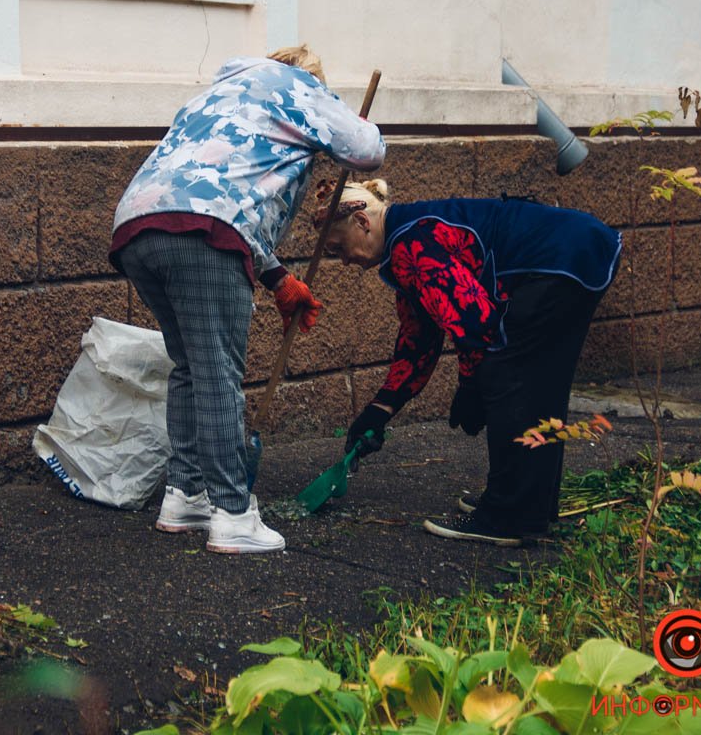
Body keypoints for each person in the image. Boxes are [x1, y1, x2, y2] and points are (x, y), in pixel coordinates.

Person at [109, 46, 385, 554]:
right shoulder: (298, 87)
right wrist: (340, 116)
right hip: (201, 232)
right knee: (215, 371)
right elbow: (368, 150)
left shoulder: (218, 97)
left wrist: (278, 278)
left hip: (138, 228)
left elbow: (220, 189)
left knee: (191, 365)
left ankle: (185, 495)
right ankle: (233, 513)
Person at [315, 179, 621, 546]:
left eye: (339, 247)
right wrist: (380, 410)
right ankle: (529, 507)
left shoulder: (412, 244)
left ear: (362, 222)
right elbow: (419, 340)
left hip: (560, 259)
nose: (344, 260)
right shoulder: (405, 242)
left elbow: (476, 325)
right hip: (582, 251)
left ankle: (508, 516)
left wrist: (472, 385)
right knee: (538, 383)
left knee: (507, 373)